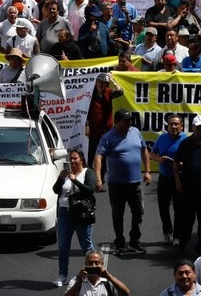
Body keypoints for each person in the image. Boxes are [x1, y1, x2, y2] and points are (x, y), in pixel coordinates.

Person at [93, 108, 151, 256]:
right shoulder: (107, 137)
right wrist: (99, 179)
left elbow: (144, 150)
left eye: (130, 120)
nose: (129, 123)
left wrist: (148, 171)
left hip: (135, 183)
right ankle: (119, 243)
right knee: (118, 215)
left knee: (139, 212)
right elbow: (99, 157)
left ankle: (134, 242)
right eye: (126, 121)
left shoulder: (135, 132)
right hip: (117, 185)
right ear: (117, 122)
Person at [53, 148, 97, 286]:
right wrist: (61, 178)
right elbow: (55, 190)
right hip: (64, 213)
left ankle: (95, 274)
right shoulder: (66, 174)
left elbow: (90, 190)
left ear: (81, 160)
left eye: (75, 158)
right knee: (63, 246)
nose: (72, 161)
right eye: (70, 158)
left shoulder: (87, 172)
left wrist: (75, 180)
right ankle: (62, 276)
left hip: (81, 215)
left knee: (87, 247)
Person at [174, 115, 201, 256]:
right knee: (186, 219)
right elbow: (176, 163)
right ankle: (182, 245)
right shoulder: (185, 143)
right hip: (188, 190)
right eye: (198, 128)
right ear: (193, 128)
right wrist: (178, 182)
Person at [150, 114, 188, 246]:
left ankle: (177, 235)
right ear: (167, 126)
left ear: (181, 126)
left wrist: (182, 164)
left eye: (176, 124)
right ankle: (167, 231)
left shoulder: (186, 140)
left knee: (180, 208)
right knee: (163, 207)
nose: (173, 127)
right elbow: (152, 153)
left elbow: (190, 158)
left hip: (180, 178)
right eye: (171, 124)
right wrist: (159, 159)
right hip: (164, 178)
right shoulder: (162, 138)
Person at [62, 250, 129, 296]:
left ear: (102, 264)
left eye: (97, 263)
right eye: (90, 263)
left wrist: (108, 276)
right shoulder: (76, 280)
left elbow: (125, 293)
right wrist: (79, 280)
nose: (93, 266)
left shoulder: (108, 281)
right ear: (85, 264)